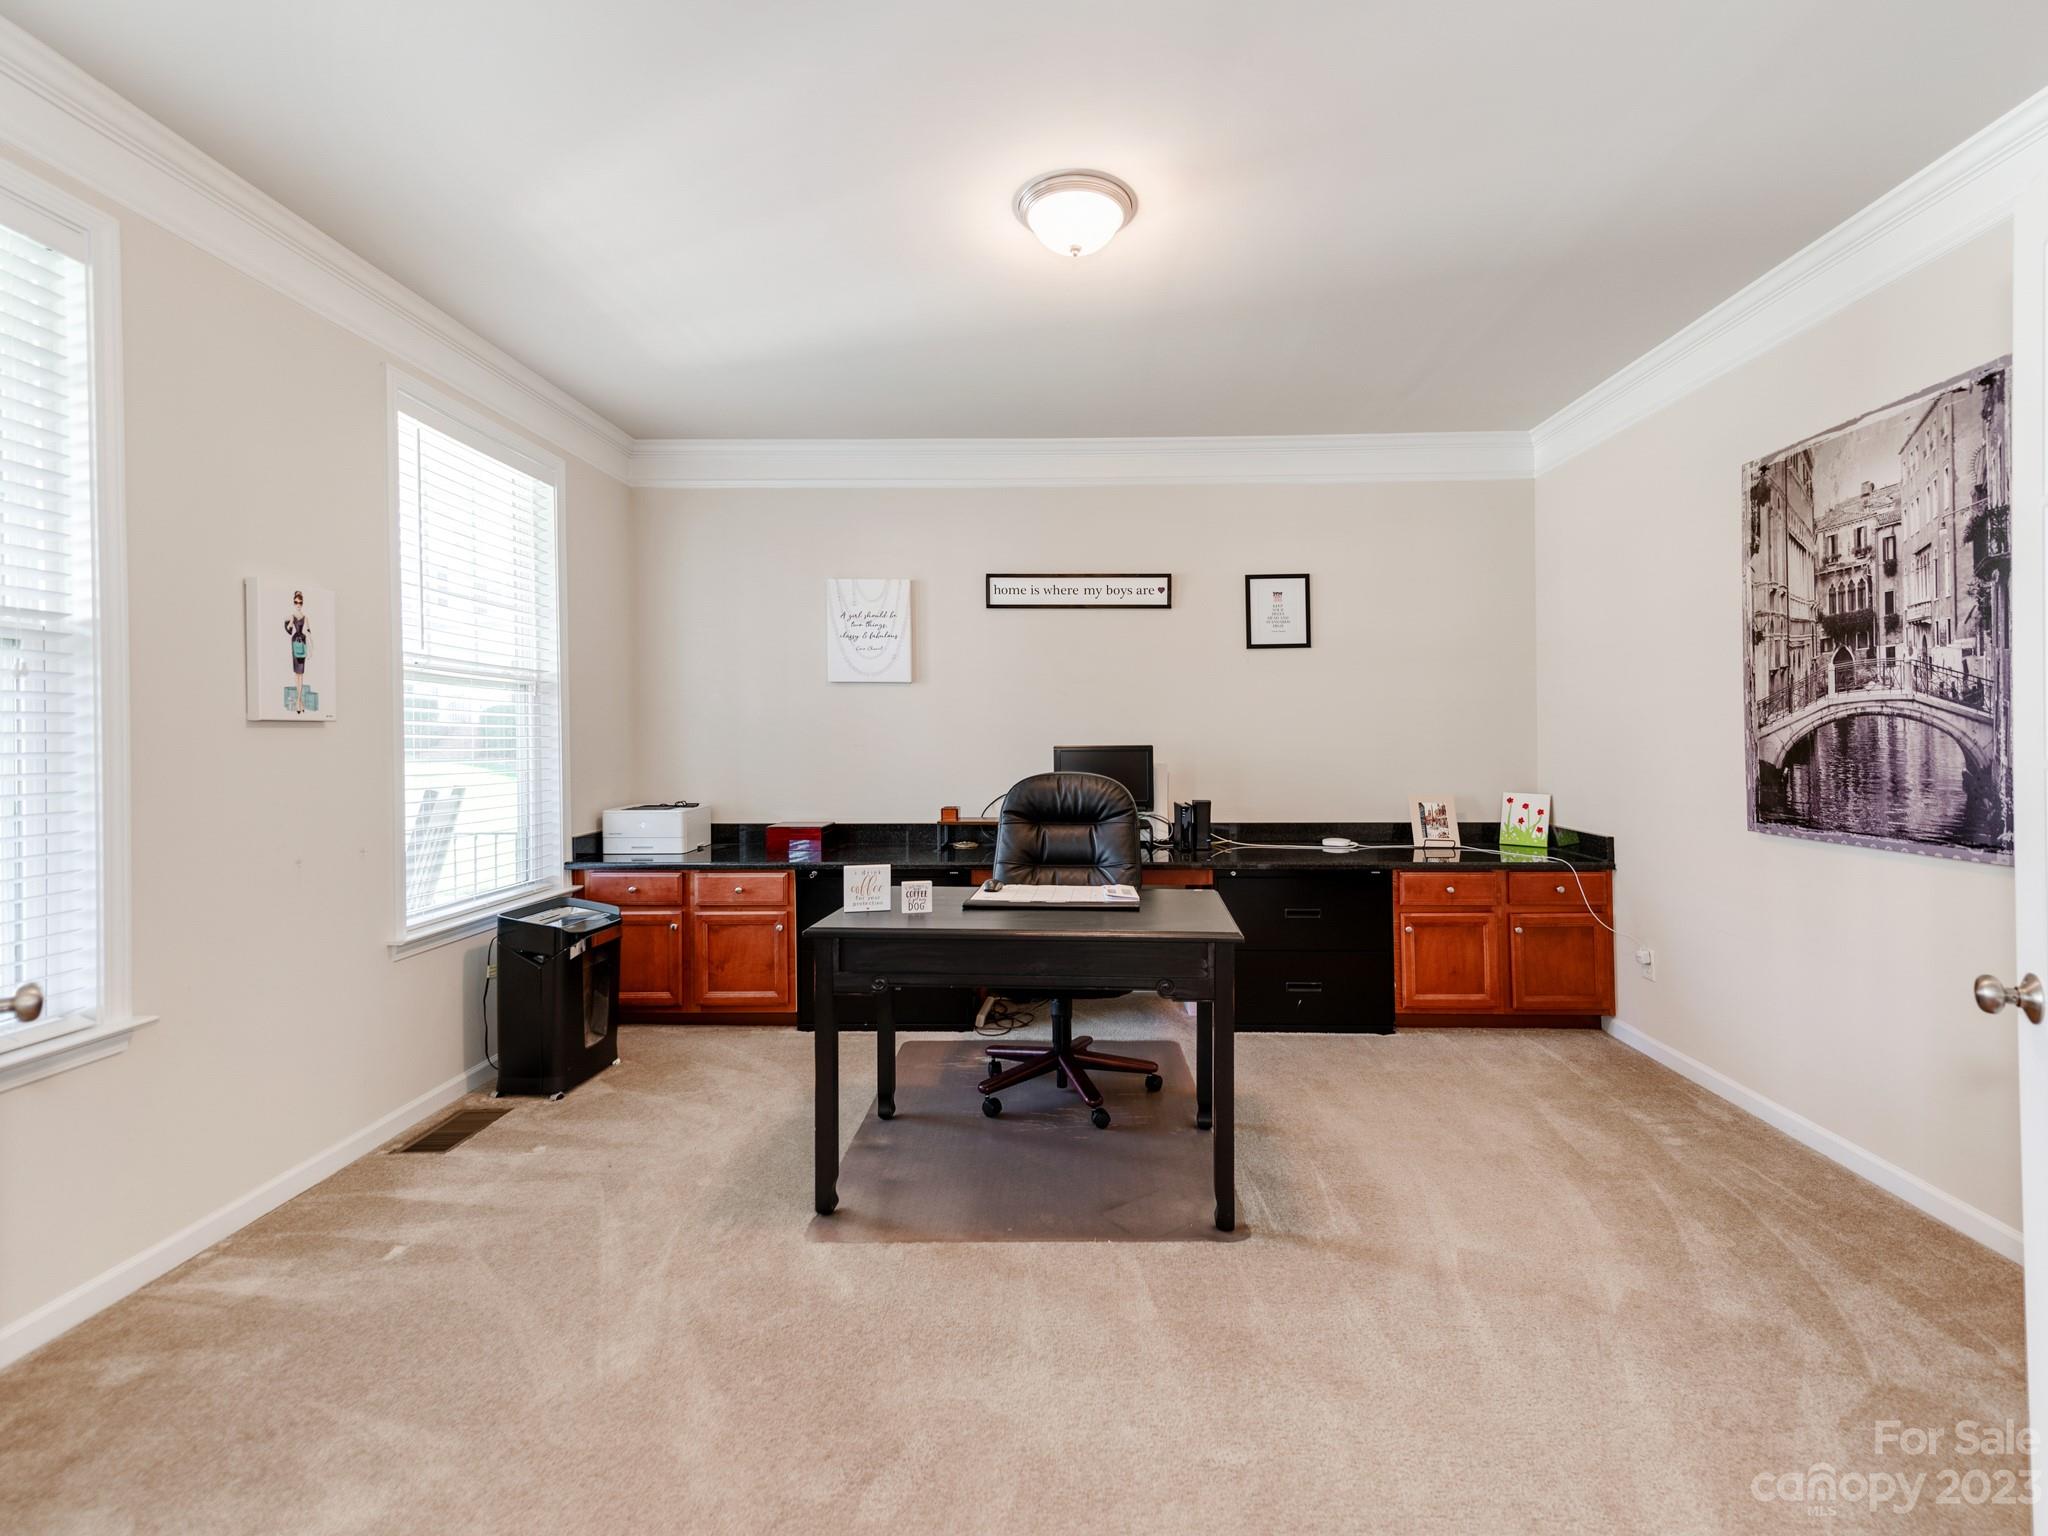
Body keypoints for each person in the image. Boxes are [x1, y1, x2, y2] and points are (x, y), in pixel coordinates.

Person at [282, 590, 311, 714]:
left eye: (300, 602)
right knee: (297, 674)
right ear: (294, 603)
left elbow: (309, 632)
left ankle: (299, 702)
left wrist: (311, 649)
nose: (298, 604)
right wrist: (289, 623)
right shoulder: (292, 616)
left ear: (302, 603)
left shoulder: (305, 617)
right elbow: (288, 628)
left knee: (301, 674)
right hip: (295, 644)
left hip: (302, 643)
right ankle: (300, 702)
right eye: (296, 602)